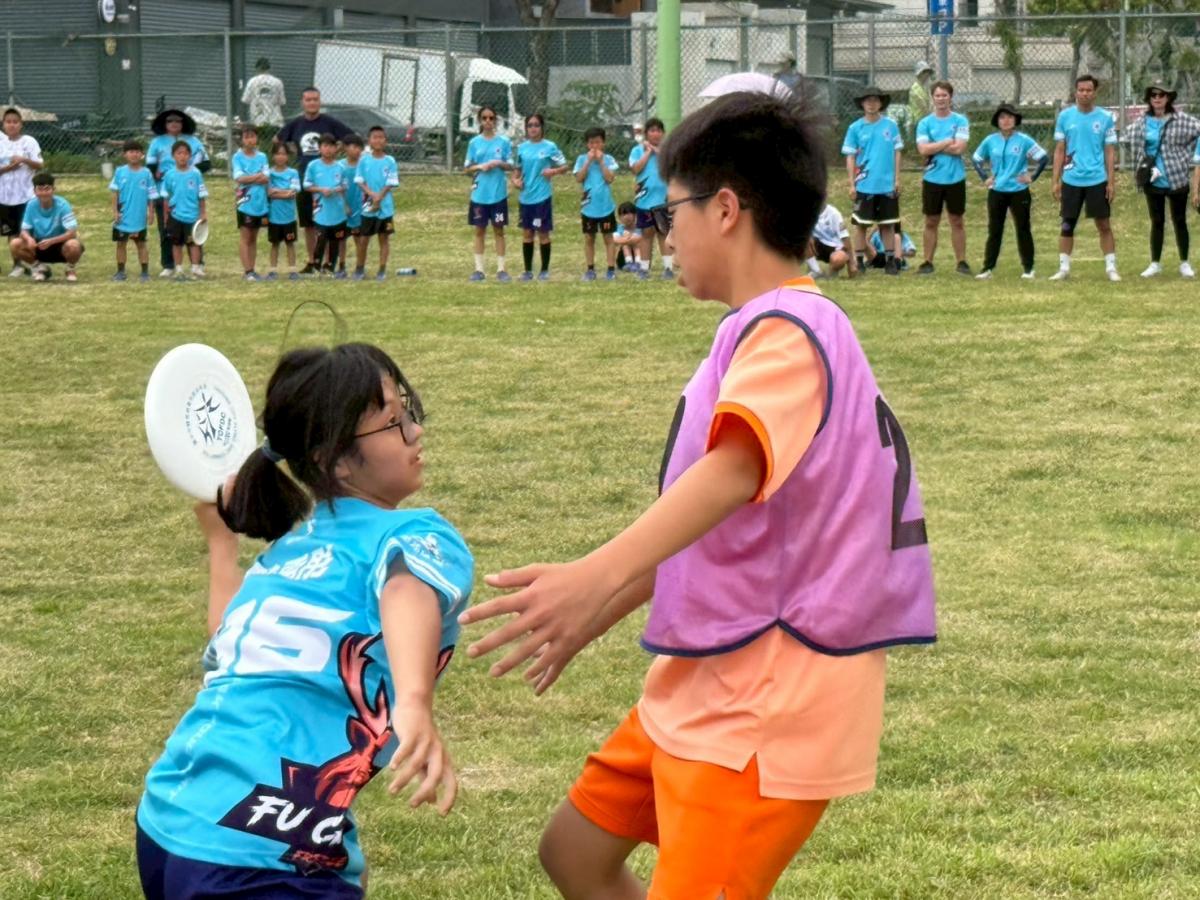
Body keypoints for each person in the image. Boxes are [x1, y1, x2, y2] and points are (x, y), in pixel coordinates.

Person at [460, 89, 935, 900]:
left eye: (669, 208)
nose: (663, 228)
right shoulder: (764, 326)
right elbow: (713, 521)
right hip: (707, 678)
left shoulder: (793, 329)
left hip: (764, 700)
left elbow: (733, 473)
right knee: (575, 854)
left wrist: (593, 573)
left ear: (723, 210)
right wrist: (595, 608)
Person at [136, 342, 473, 900]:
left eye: (408, 411)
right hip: (256, 854)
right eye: (393, 422)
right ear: (336, 460)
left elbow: (228, 643)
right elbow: (405, 587)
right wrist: (414, 702)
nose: (416, 432)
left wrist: (222, 545)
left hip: (173, 817)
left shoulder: (288, 553)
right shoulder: (414, 534)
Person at [1126, 79, 1200, 279]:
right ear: (1149, 99)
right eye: (1153, 95)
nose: (1157, 98)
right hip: (1153, 179)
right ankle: (1155, 263)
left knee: (1179, 220)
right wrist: (1142, 160)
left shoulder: (1182, 119)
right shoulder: (1142, 122)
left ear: (1168, 98)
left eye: (1161, 95)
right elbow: (1127, 139)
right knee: (1157, 221)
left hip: (1177, 177)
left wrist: (1189, 154)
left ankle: (1184, 262)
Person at [1051, 75, 1120, 282]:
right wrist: (1055, 180)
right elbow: (1060, 150)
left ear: (1095, 92)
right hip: (1071, 179)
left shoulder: (1105, 117)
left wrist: (1111, 181)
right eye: (1081, 90)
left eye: (1088, 90)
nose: (1084, 94)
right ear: (1076, 92)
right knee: (1067, 225)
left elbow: (1109, 151)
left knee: (1103, 225)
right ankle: (1063, 269)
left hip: (1097, 179)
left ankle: (1111, 268)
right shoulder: (1065, 117)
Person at [277, 88, 352, 273]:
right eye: (308, 100)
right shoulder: (296, 124)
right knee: (309, 223)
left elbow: (350, 137)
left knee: (328, 223)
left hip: (328, 183)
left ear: (320, 102)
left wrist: (336, 150)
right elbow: (277, 139)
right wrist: (293, 151)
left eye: (315, 99)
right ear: (302, 102)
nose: (312, 103)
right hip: (307, 180)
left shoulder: (330, 122)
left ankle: (328, 263)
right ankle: (312, 261)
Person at [972, 103, 1048, 280]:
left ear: (1015, 120)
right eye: (1002, 117)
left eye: (1010, 117)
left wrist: (1032, 177)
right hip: (997, 190)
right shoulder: (990, 140)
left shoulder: (1024, 140)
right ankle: (987, 268)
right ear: (997, 121)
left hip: (1018, 190)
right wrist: (985, 178)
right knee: (994, 229)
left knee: (1023, 228)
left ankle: (1028, 268)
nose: (1006, 121)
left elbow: (1043, 158)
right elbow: (976, 159)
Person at [843, 86, 903, 275]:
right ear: (862, 103)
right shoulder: (855, 128)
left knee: (887, 224)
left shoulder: (890, 126)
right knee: (861, 225)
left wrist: (897, 179)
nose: (871, 104)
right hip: (864, 185)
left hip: (886, 185)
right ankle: (860, 260)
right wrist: (852, 184)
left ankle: (890, 261)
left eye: (875, 100)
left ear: (881, 103)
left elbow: (897, 152)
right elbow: (850, 157)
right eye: (867, 100)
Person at [916, 81, 971, 276]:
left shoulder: (960, 120)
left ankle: (961, 262)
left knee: (957, 220)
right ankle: (927, 262)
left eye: (944, 95)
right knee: (931, 221)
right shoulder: (925, 123)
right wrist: (948, 141)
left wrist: (935, 146)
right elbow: (923, 150)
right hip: (932, 178)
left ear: (950, 97)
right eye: (937, 95)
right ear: (932, 98)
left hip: (955, 178)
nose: (941, 99)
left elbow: (959, 149)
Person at [147, 109, 210, 277]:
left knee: (194, 230)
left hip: (189, 192)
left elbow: (206, 163)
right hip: (166, 191)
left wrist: (188, 171)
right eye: (170, 121)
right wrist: (157, 173)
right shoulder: (157, 142)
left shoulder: (194, 141)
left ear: (183, 123)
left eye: (177, 120)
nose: (174, 123)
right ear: (164, 124)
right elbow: (150, 165)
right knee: (167, 230)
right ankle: (169, 265)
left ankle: (197, 264)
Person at [512, 112, 568, 282]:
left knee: (543, 233)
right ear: (526, 128)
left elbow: (564, 166)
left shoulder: (550, 146)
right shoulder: (522, 148)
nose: (533, 128)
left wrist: (554, 171)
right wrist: (515, 181)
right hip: (526, 197)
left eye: (536, 125)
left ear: (542, 127)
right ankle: (528, 271)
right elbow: (517, 171)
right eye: (530, 125)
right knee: (527, 233)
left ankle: (544, 270)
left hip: (542, 197)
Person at [464, 104, 513, 282]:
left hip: (498, 194)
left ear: (496, 120)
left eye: (491, 118)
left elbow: (511, 165)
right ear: (479, 120)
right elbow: (467, 168)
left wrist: (498, 163)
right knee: (479, 231)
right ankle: (479, 270)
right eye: (484, 118)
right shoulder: (474, 143)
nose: (488, 121)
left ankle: (501, 269)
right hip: (479, 195)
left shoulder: (504, 142)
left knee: (499, 230)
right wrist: (480, 166)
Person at [10, 171, 83, 282]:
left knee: (74, 245)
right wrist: (29, 238)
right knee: (15, 243)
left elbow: (72, 233)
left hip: (60, 244)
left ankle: (70, 269)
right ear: (34, 191)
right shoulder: (31, 205)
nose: (44, 193)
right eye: (40, 189)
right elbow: (24, 230)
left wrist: (51, 241)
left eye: (47, 189)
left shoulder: (63, 205)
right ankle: (40, 268)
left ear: (53, 189)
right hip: (39, 244)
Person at [0, 107, 43, 276]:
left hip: (26, 196)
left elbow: (39, 164)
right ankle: (17, 265)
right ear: (3, 124)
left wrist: (24, 159)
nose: (11, 125)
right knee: (11, 232)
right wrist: (9, 167)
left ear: (21, 124)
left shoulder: (29, 142)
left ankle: (34, 263)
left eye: (15, 122)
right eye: (8, 122)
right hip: (4, 196)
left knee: (25, 232)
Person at [629, 117, 674, 278]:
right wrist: (648, 152)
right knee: (646, 234)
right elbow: (636, 169)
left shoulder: (667, 151)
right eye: (652, 130)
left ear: (663, 133)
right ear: (647, 133)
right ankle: (644, 268)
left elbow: (672, 167)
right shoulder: (637, 150)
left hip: (663, 200)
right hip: (644, 200)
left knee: (663, 233)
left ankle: (668, 268)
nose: (656, 134)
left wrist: (658, 151)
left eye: (659, 131)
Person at [573, 126, 619, 281]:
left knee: (608, 238)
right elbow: (579, 178)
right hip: (588, 207)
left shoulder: (609, 159)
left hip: (605, 206)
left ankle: (611, 269)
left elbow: (609, 178)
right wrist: (588, 161)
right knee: (589, 238)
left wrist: (600, 162)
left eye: (598, 142)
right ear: (587, 144)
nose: (594, 146)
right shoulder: (581, 159)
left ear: (603, 143)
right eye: (591, 143)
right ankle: (590, 269)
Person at [355, 125, 400, 282]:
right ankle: (359, 269)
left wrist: (380, 196)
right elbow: (359, 180)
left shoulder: (390, 161)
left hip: (385, 207)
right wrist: (371, 194)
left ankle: (382, 270)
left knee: (384, 238)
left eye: (381, 137)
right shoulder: (364, 160)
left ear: (385, 140)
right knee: (364, 239)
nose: (378, 140)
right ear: (369, 141)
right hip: (368, 206)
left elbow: (391, 182)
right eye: (375, 137)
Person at [109, 138, 156, 282]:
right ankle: (120, 271)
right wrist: (115, 212)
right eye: (131, 151)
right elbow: (114, 193)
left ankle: (145, 273)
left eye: (137, 152)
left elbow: (151, 195)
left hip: (139, 217)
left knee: (141, 244)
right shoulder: (120, 172)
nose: (134, 154)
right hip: (123, 217)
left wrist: (151, 212)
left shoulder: (147, 173)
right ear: (125, 154)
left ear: (142, 154)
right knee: (121, 244)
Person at [160, 140, 208, 280]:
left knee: (193, 243)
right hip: (175, 215)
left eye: (186, 153)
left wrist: (202, 213)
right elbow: (166, 197)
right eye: (179, 153)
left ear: (190, 156)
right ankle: (179, 268)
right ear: (173, 155)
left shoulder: (196, 174)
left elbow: (201, 195)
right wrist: (166, 215)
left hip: (192, 215)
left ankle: (195, 268)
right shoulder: (169, 175)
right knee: (176, 243)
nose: (182, 156)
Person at [303, 133, 349, 276]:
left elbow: (345, 185)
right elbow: (306, 185)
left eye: (331, 146)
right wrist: (320, 190)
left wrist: (335, 190)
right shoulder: (313, 166)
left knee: (335, 240)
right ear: (320, 148)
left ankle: (329, 267)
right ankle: (316, 266)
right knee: (321, 238)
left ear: (335, 148)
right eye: (325, 146)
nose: (328, 149)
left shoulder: (340, 167)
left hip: (337, 210)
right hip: (320, 210)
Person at [231, 124, 270, 282]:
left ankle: (252, 270)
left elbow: (266, 177)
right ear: (242, 139)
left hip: (260, 202)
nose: (250, 140)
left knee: (254, 237)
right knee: (245, 236)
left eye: (252, 136)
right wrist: (257, 176)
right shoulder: (237, 157)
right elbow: (239, 178)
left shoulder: (262, 156)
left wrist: (250, 178)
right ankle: (247, 271)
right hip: (245, 202)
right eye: (246, 137)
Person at [266, 143, 301, 281]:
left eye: (284, 154)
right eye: (278, 154)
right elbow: (269, 193)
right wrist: (284, 193)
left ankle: (292, 271)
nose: (280, 157)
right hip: (274, 217)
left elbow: (293, 193)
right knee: (274, 244)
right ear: (273, 156)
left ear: (288, 156)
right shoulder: (269, 173)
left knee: (290, 243)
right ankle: (272, 271)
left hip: (289, 217)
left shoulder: (293, 173)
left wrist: (277, 192)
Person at [339, 134, 366, 279]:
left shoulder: (364, 165)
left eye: (359, 147)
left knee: (359, 238)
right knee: (341, 238)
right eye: (353, 147)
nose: (357, 150)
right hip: (342, 208)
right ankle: (341, 267)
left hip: (360, 209)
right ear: (345, 148)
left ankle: (360, 268)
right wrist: (344, 205)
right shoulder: (339, 166)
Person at [805, 201, 856, 278]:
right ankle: (816, 271)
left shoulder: (834, 213)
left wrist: (851, 264)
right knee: (803, 240)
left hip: (835, 248)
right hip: (817, 245)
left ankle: (831, 274)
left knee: (839, 259)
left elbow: (845, 237)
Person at [241, 57, 286, 129]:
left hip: (258, 120)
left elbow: (245, 100)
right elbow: (282, 102)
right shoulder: (277, 82)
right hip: (275, 121)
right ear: (269, 68)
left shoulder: (252, 82)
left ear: (257, 68)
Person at [907, 61, 934, 140]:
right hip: (917, 121)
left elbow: (930, 103)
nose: (927, 74)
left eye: (928, 72)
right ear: (920, 73)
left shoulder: (924, 88)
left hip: (925, 119)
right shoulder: (915, 88)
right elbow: (922, 105)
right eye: (925, 72)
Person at [613, 201, 643, 273]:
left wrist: (626, 239)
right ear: (619, 217)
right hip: (623, 258)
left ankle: (638, 263)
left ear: (635, 215)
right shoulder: (619, 228)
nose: (627, 216)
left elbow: (641, 239)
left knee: (636, 243)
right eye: (624, 214)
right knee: (625, 244)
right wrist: (627, 240)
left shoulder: (640, 228)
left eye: (629, 213)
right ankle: (629, 262)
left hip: (642, 256)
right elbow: (614, 240)